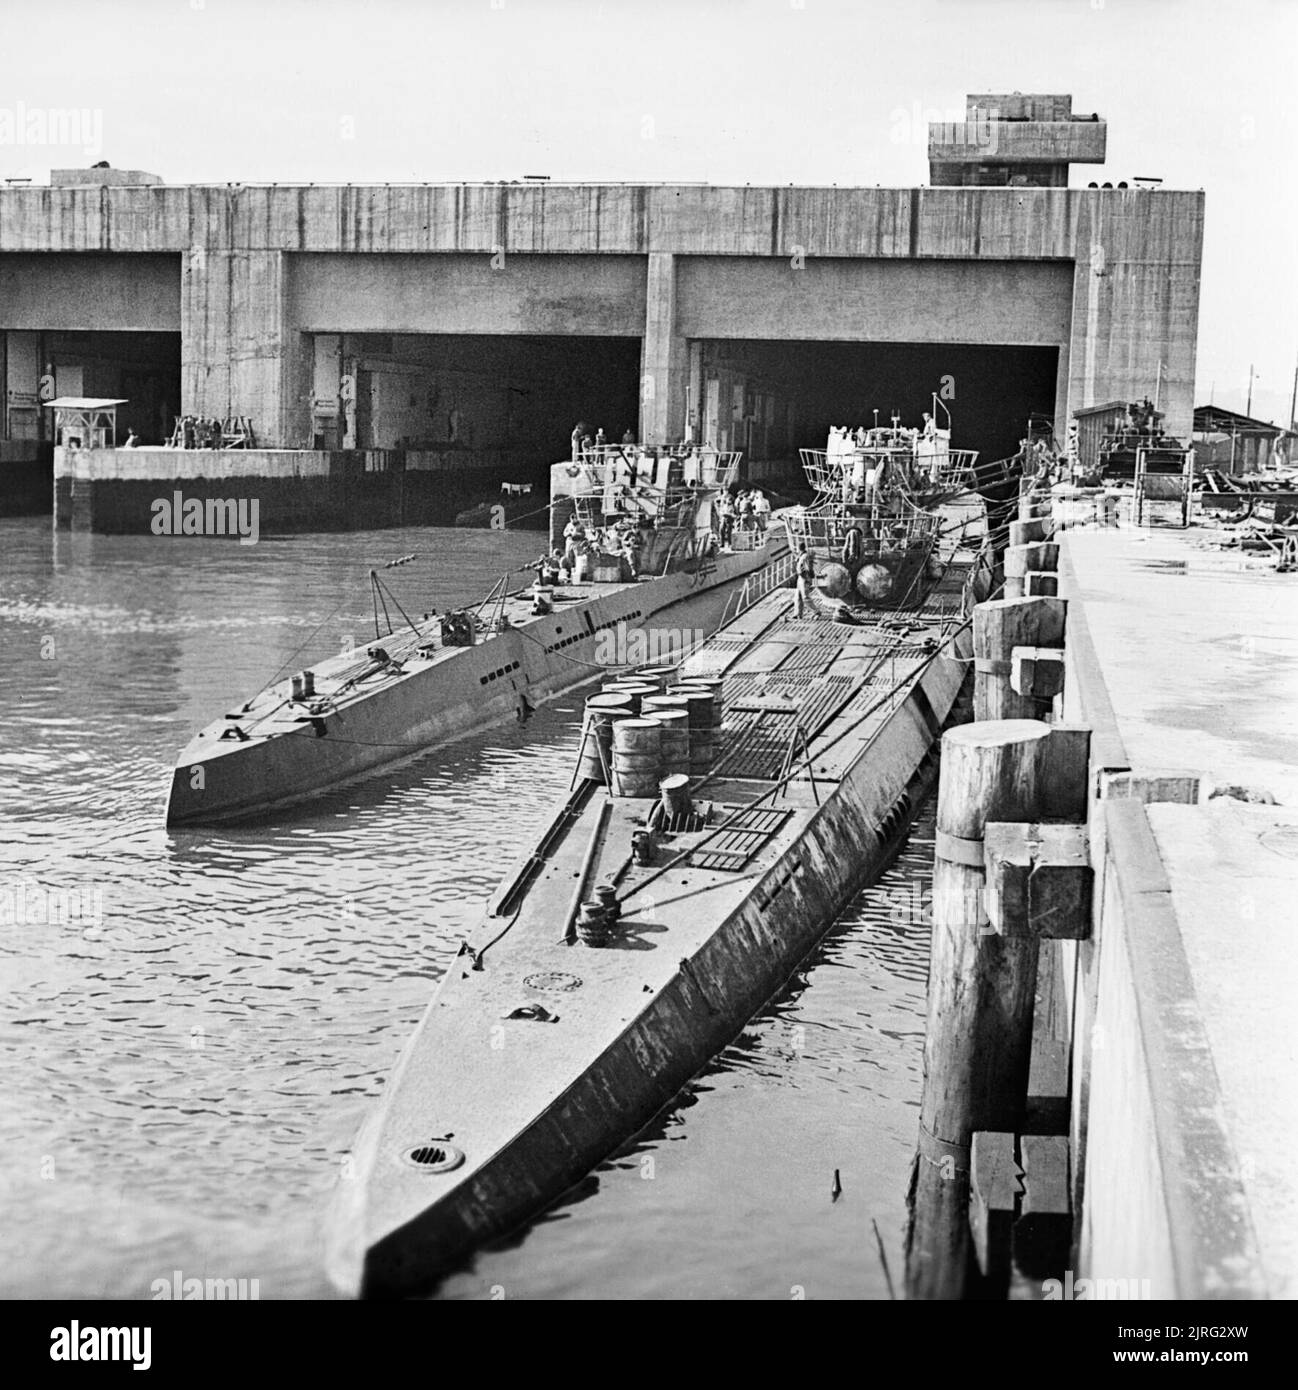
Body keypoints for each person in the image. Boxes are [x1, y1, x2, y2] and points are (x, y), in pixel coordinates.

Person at [795, 542, 816, 619]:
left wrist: (809, 578)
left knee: (805, 597)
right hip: (800, 578)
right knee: (798, 596)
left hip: (804, 578)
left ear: (799, 548)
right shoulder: (801, 556)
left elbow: (809, 568)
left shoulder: (805, 557)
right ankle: (798, 613)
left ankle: (816, 611)